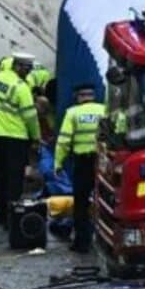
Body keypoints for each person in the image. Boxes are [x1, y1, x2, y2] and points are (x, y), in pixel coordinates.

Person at [0, 52, 41, 227]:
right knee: (15, 180)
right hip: (16, 138)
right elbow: (30, 116)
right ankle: (11, 218)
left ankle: (1, 215)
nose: (28, 73)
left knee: (1, 177)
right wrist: (36, 137)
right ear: (18, 66)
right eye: (27, 69)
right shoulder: (20, 87)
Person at [55, 83, 105, 253]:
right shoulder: (103, 110)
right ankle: (103, 239)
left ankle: (82, 242)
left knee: (81, 203)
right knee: (104, 201)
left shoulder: (73, 113)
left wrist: (58, 163)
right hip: (102, 163)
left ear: (78, 97)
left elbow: (64, 140)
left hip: (82, 163)